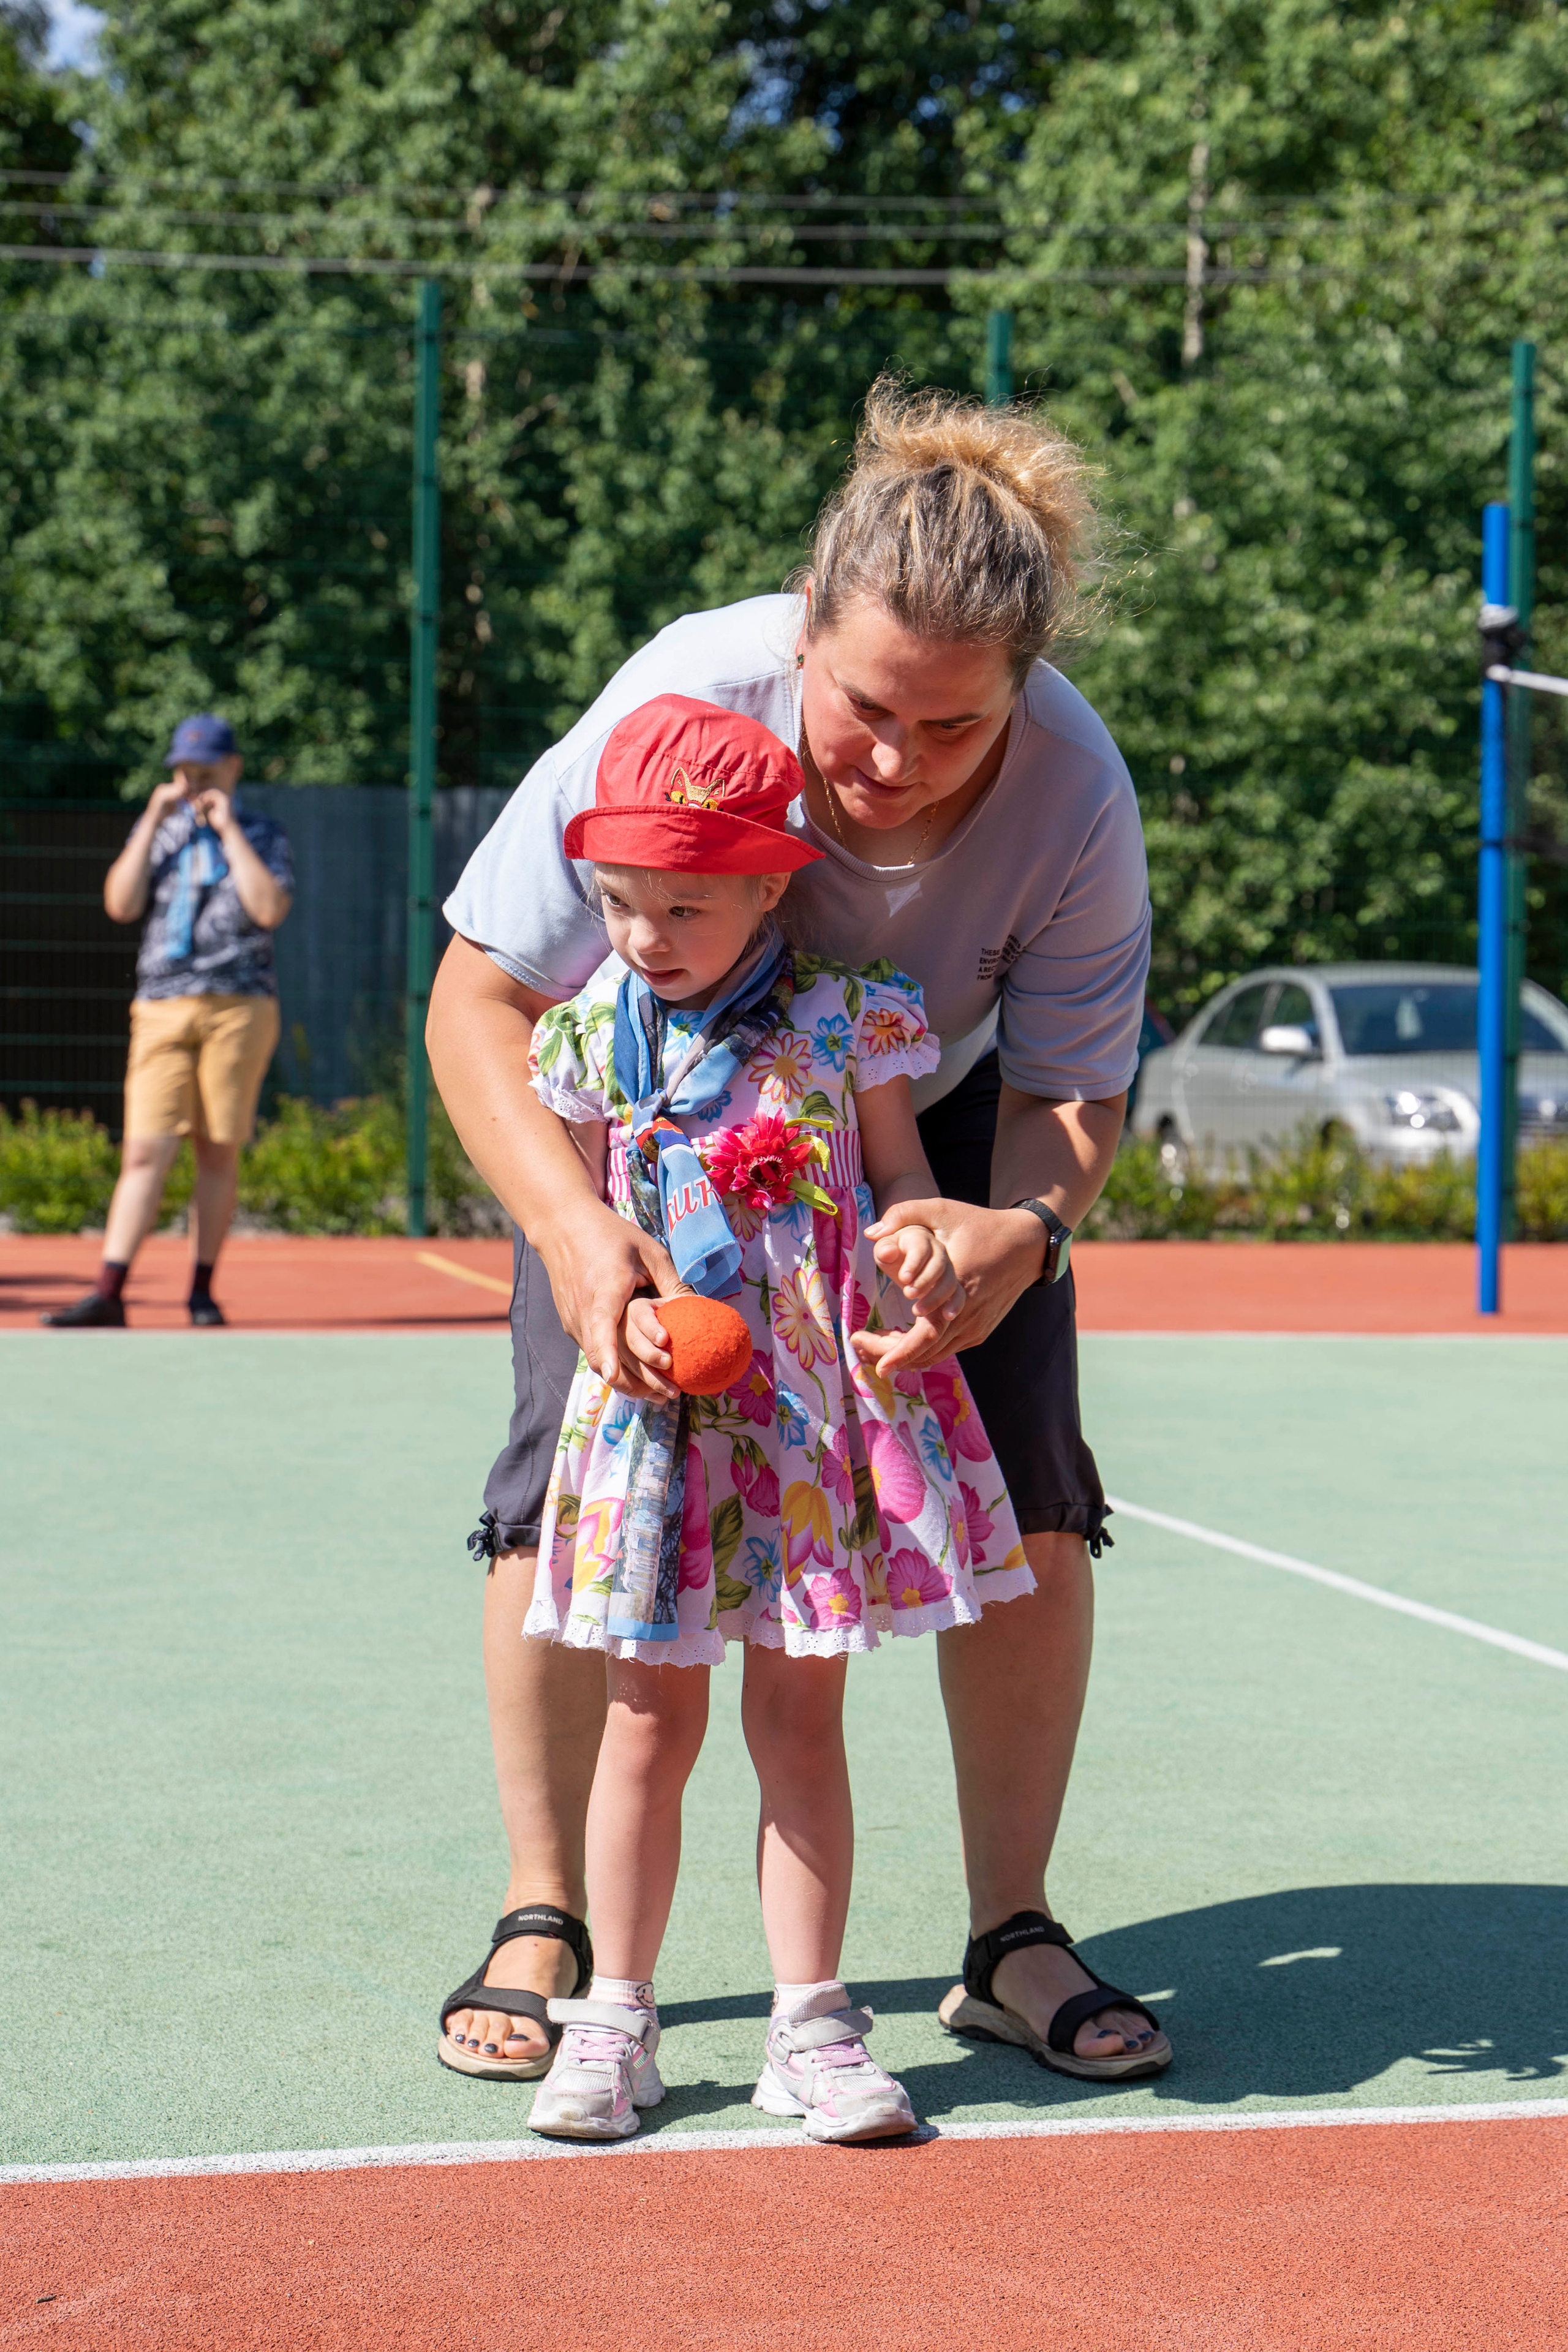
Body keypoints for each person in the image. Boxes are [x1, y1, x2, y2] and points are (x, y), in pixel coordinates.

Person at [428, 379, 1172, 2089]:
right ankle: (551, 1913)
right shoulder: (687, 697)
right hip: (654, 1118)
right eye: (861, 713)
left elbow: (1072, 1090)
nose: (895, 767)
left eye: (953, 728)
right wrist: (566, 1226)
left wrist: (1016, 1232)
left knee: (1035, 1473)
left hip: (919, 1121)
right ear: (803, 635)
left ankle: (1009, 1935)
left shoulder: (1074, 791)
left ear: (1023, 696)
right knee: (567, 1474)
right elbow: (479, 996)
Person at [506, 695, 1046, 2142]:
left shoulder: (840, 1014)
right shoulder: (580, 1040)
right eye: (619, 900)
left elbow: (897, 1184)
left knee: (800, 1718)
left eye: (682, 901)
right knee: (642, 1721)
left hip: (807, 1425)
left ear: (770, 879)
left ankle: (807, 2023)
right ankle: (615, 2013)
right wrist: (606, 1314)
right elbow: (576, 1233)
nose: (645, 932)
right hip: (654, 1433)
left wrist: (924, 1246)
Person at [42, 715, 293, 1330]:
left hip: (238, 1007)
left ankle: (202, 1292)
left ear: (232, 767)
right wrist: (154, 819)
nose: (193, 778)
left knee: (217, 1150)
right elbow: (120, 903)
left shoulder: (261, 833)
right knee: (144, 1150)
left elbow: (268, 908)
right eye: (184, 769)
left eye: (206, 768)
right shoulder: (159, 831)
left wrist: (229, 829)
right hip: (160, 1006)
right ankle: (110, 1289)